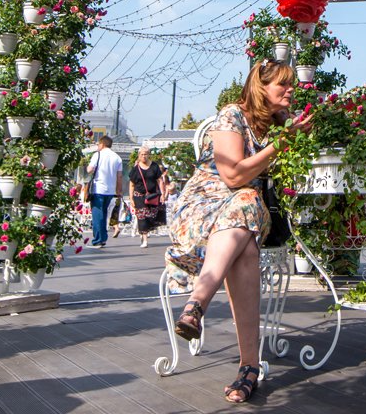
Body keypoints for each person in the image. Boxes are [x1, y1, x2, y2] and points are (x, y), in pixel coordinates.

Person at [166, 59, 304, 404]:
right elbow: (231, 176)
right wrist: (283, 143)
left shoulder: (282, 123)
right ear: (261, 88)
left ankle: (196, 305)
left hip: (247, 212)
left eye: (291, 85)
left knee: (245, 205)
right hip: (204, 205)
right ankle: (249, 367)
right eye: (282, 86)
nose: (290, 91)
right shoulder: (232, 114)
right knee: (247, 242)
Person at [84, 135, 123, 248]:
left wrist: (89, 167)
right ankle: (103, 238)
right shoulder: (117, 158)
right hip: (110, 191)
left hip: (98, 188)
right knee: (104, 213)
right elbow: (119, 176)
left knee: (97, 214)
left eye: (98, 144)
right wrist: (119, 191)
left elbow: (90, 169)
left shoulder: (98, 155)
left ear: (102, 144)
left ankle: (98, 240)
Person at [129, 147, 169, 248]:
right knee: (142, 216)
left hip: (152, 196)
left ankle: (144, 232)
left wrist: (162, 194)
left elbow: (160, 181)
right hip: (139, 196)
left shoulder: (154, 166)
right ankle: (145, 238)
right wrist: (131, 198)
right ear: (139, 155)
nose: (144, 156)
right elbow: (131, 185)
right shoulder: (135, 169)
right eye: (142, 154)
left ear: (149, 155)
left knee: (151, 215)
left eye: (146, 154)